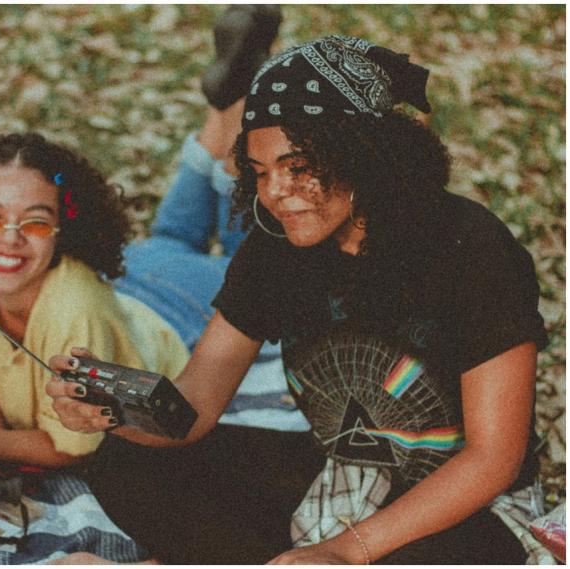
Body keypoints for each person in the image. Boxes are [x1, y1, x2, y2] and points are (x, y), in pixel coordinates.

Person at [47, 36, 548, 564]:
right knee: (124, 462)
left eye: (298, 166)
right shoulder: (277, 245)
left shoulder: (470, 246)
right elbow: (194, 405)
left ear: (363, 154)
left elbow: (493, 459)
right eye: (260, 172)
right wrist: (111, 407)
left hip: (468, 505)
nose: (275, 192)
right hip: (343, 478)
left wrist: (345, 552)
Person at [0, 5, 285, 468]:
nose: (8, 239)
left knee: (246, 248)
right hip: (135, 273)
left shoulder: (74, 310)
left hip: (178, 307)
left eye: (34, 222)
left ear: (62, 229)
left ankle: (245, 105)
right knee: (173, 235)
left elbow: (73, 448)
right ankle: (233, 98)